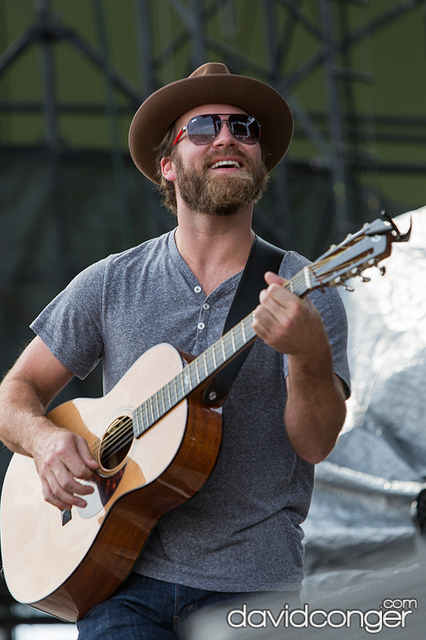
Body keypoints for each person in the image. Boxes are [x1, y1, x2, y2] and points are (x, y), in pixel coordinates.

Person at [0, 62, 350, 638]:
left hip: (255, 588)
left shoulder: (303, 289)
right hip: (116, 584)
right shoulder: (111, 282)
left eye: (245, 128)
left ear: (259, 159)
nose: (228, 138)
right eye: (205, 126)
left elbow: (315, 443)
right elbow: (16, 393)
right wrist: (43, 440)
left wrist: (307, 354)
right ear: (167, 165)